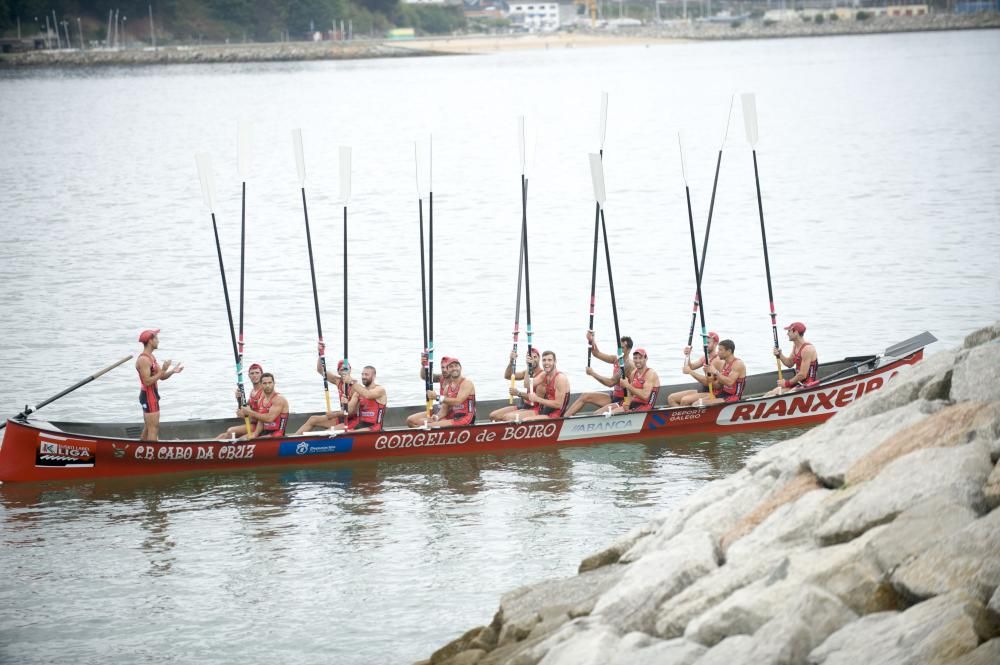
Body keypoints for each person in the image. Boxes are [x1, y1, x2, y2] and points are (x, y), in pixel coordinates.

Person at [565, 332, 635, 416]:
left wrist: (593, 373)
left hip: (624, 400)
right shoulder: (616, 359)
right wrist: (592, 340)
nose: (619, 350)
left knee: (596, 414)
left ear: (629, 349)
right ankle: (563, 420)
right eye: (619, 347)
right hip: (614, 396)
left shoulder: (628, 365)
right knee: (585, 396)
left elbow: (610, 382)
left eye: (622, 348)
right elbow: (596, 353)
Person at [135, 328, 183, 441]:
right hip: (148, 396)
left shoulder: (152, 357)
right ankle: (151, 456)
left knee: (148, 427)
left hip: (152, 395)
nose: (158, 341)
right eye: (156, 338)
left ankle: (140, 453)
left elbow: (161, 377)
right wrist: (163, 370)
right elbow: (147, 381)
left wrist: (172, 371)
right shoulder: (143, 359)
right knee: (153, 428)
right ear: (150, 341)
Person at [295, 354, 357, 434]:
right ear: (338, 372)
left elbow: (351, 411)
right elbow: (320, 370)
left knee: (327, 433)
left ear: (350, 370)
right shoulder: (338, 381)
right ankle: (291, 440)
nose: (344, 372)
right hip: (341, 417)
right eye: (342, 370)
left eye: (346, 369)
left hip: (352, 420)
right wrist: (321, 355)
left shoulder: (356, 387)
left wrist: (333, 414)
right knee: (313, 419)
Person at [504, 350, 571, 421]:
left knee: (526, 420)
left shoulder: (560, 378)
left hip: (556, 414)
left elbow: (558, 404)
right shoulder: (544, 374)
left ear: (555, 362)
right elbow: (527, 385)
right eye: (544, 360)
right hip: (546, 410)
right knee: (510, 417)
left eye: (549, 360)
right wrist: (528, 366)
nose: (546, 363)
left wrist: (537, 399)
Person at [681, 339, 746, 405]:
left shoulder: (738, 364)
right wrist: (708, 374)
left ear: (729, 351)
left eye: (720, 350)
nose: (718, 352)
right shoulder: (725, 364)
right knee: (694, 403)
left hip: (733, 396)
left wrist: (715, 372)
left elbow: (729, 382)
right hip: (721, 393)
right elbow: (718, 384)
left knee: (697, 404)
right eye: (718, 350)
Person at [667, 332, 720, 406]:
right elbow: (691, 366)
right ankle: (683, 416)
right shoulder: (705, 357)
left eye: (708, 343)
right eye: (704, 343)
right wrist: (688, 355)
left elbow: (707, 382)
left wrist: (690, 372)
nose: (705, 345)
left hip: (713, 392)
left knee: (684, 400)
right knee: (671, 398)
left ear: (715, 344)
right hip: (703, 390)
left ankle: (687, 415)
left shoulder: (717, 360)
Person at [767, 321, 819, 395]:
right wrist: (780, 355)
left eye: (789, 331)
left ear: (796, 332)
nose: (787, 334)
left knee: (783, 393)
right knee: (770, 393)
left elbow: (802, 375)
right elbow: (789, 363)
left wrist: (786, 383)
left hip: (808, 383)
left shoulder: (807, 349)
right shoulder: (795, 346)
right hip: (798, 382)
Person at [489, 348, 542, 421]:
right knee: (493, 416)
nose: (532, 359)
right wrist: (511, 361)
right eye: (530, 357)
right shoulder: (526, 372)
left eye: (535, 357)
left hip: (536, 407)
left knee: (507, 417)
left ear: (539, 358)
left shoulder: (542, 375)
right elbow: (508, 376)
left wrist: (518, 393)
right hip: (525, 405)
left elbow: (537, 400)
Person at [604, 348, 660, 414]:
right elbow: (629, 392)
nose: (637, 360)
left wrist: (627, 385)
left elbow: (645, 396)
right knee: (608, 411)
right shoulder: (634, 373)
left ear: (646, 359)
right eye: (635, 358)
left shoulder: (650, 373)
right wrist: (626, 403)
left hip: (646, 406)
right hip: (635, 403)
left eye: (640, 358)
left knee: (614, 413)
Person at [218, 362, 265, 440]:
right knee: (223, 436)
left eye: (257, 373)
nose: (255, 375)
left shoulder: (263, 392)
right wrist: (238, 399)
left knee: (230, 431)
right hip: (252, 423)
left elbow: (262, 417)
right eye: (252, 373)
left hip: (259, 426)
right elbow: (244, 408)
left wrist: (244, 416)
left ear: (262, 375)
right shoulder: (253, 391)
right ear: (249, 376)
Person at [406, 354, 453, 428]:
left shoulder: (456, 381)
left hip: (449, 413)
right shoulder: (441, 377)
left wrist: (436, 397)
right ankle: (424, 436)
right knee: (410, 420)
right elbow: (425, 376)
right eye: (442, 367)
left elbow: (454, 401)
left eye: (447, 367)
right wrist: (424, 365)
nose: (444, 370)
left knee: (420, 423)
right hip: (438, 409)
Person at [426, 358, 476, 427]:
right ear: (448, 370)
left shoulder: (467, 383)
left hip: (467, 418)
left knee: (430, 426)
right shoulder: (447, 388)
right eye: (451, 366)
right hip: (455, 418)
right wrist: (436, 417)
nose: (454, 368)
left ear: (460, 368)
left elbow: (458, 401)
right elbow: (444, 410)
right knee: (429, 423)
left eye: (456, 366)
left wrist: (437, 397)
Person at [240, 372, 289, 438]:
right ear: (260, 384)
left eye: (270, 383)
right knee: (242, 439)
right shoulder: (261, 399)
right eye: (265, 383)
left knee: (259, 439)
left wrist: (250, 412)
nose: (267, 385)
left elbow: (269, 419)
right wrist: (255, 434)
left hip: (278, 434)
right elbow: (261, 420)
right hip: (265, 432)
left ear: (274, 383)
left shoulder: (279, 399)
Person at [342, 365, 388, 432]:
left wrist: (352, 382)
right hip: (361, 425)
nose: (363, 377)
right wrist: (345, 403)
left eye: (366, 375)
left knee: (350, 433)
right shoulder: (358, 392)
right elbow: (349, 411)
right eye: (362, 374)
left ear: (374, 376)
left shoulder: (380, 389)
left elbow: (368, 395)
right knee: (345, 432)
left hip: (375, 427)